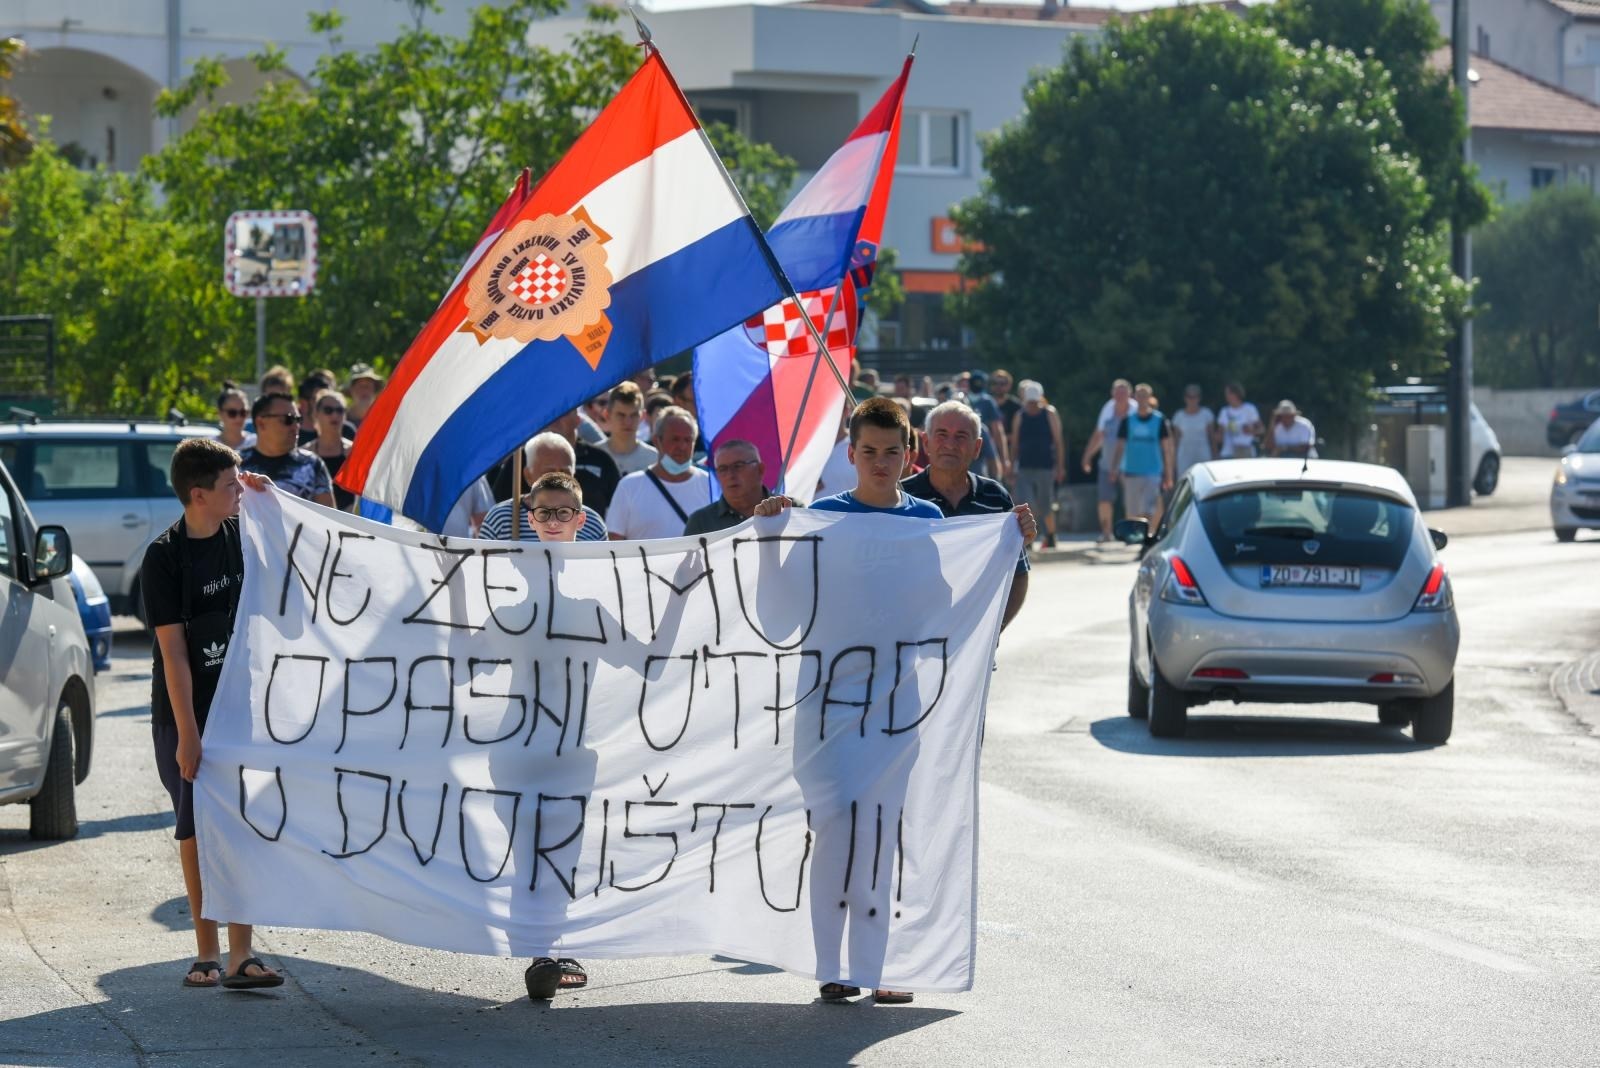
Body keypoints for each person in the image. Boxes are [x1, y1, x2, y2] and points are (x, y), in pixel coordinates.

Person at [140, 438, 284, 991]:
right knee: (197, 830)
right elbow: (173, 652)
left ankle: (241, 955)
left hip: (240, 706)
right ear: (198, 495)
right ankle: (205, 951)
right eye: (231, 484)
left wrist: (272, 500)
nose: (239, 488)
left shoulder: (239, 533)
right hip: (185, 713)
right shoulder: (165, 557)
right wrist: (188, 735)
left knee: (241, 827)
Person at [515, 469, 592, 1001]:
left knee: (563, 850)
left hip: (575, 744)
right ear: (530, 519)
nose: (553, 521)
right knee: (530, 850)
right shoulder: (504, 579)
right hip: (516, 743)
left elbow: (647, 660)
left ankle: (551, 943)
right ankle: (542, 949)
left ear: (581, 520)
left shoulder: (600, 588)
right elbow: (468, 655)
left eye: (564, 512)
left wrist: (680, 588)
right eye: (544, 513)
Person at [901, 400, 1036, 627]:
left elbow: (1018, 574)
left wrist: (991, 633)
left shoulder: (995, 497)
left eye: (961, 436)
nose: (950, 444)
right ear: (926, 442)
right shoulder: (901, 497)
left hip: (975, 654)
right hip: (912, 647)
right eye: (941, 434)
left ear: (977, 447)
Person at [606, 406, 711, 540]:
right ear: (657, 441)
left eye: (688, 440)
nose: (682, 446)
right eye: (675, 439)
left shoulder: (709, 485)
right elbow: (614, 542)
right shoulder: (629, 487)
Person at [481, 433, 608, 542]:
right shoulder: (500, 519)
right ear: (528, 475)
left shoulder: (593, 523)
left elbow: (605, 568)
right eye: (549, 472)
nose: (557, 478)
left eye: (565, 471)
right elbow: (481, 566)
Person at [239, 393, 335, 506]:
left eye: (298, 419)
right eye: (288, 419)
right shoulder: (235, 465)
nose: (296, 426)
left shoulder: (313, 464)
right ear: (261, 423)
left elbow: (329, 518)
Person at [1008, 381, 1065, 549]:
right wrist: (1011, 465)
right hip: (1025, 466)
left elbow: (1058, 441)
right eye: (1029, 402)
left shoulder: (1049, 413)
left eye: (1034, 402)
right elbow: (1015, 442)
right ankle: (1029, 537)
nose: (1032, 406)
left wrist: (1060, 466)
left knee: (1045, 503)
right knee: (1027, 502)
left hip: (1045, 465)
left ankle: (1051, 534)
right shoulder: (1020, 415)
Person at [1110, 383, 1174, 529]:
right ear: (1135, 398)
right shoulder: (1127, 420)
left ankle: (1145, 536)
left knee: (1149, 507)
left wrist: (1168, 473)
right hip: (1131, 470)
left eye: (1145, 396)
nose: (1142, 399)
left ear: (1150, 398)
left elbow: (1166, 449)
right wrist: (1114, 468)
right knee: (1132, 509)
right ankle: (1133, 535)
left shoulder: (1159, 420)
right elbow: (1119, 446)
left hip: (1153, 470)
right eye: (1139, 395)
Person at [1080, 379, 1133, 543]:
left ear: (1129, 394)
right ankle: (1106, 532)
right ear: (1112, 393)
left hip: (1130, 465)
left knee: (1131, 500)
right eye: (1117, 392)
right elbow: (1099, 435)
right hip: (1107, 463)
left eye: (1123, 392)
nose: (1120, 396)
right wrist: (1087, 456)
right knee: (1104, 500)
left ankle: (1131, 533)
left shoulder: (1136, 412)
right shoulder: (1108, 409)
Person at [683, 440, 770, 536]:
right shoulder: (701, 523)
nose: (730, 475)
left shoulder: (786, 510)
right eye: (722, 469)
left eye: (738, 466)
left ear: (760, 470)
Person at [545, 409, 620, 516]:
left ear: (578, 420)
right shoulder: (525, 461)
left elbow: (619, 509)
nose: (555, 419)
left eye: (563, 413)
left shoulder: (601, 460)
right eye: (551, 413)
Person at [308, 389, 356, 511]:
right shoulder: (306, 453)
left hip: (350, 522)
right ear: (316, 414)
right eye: (328, 410)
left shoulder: (354, 453)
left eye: (339, 410)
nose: (335, 415)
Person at [597, 381, 658, 476]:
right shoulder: (594, 457)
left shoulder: (654, 460)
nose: (628, 422)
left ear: (642, 416)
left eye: (634, 415)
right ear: (607, 415)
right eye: (621, 415)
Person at [964, 372, 1011, 481]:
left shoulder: (987, 401)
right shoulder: (962, 399)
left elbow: (997, 430)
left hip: (979, 447)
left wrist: (1004, 459)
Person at [1170, 384, 1217, 478]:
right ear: (1185, 398)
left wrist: (1215, 455)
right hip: (1184, 456)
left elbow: (1212, 438)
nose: (1192, 399)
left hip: (1203, 454)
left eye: (1194, 397)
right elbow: (1175, 441)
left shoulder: (1206, 414)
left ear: (1199, 398)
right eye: (1189, 397)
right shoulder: (1179, 416)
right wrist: (1172, 462)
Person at [1217, 382, 1263, 459]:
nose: (1226, 396)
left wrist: (1251, 431)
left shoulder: (1249, 409)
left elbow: (1262, 429)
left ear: (1236, 394)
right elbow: (1219, 435)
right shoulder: (1224, 411)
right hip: (1228, 453)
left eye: (1228, 393)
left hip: (1246, 452)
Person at [214, 383, 254, 452]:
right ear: (220, 414)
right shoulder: (211, 446)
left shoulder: (257, 443)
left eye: (243, 412)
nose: (238, 418)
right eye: (232, 413)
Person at [345, 363, 384, 430]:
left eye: (368, 386)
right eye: (360, 386)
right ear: (351, 390)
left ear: (374, 389)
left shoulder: (384, 418)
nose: (364, 390)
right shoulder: (340, 418)